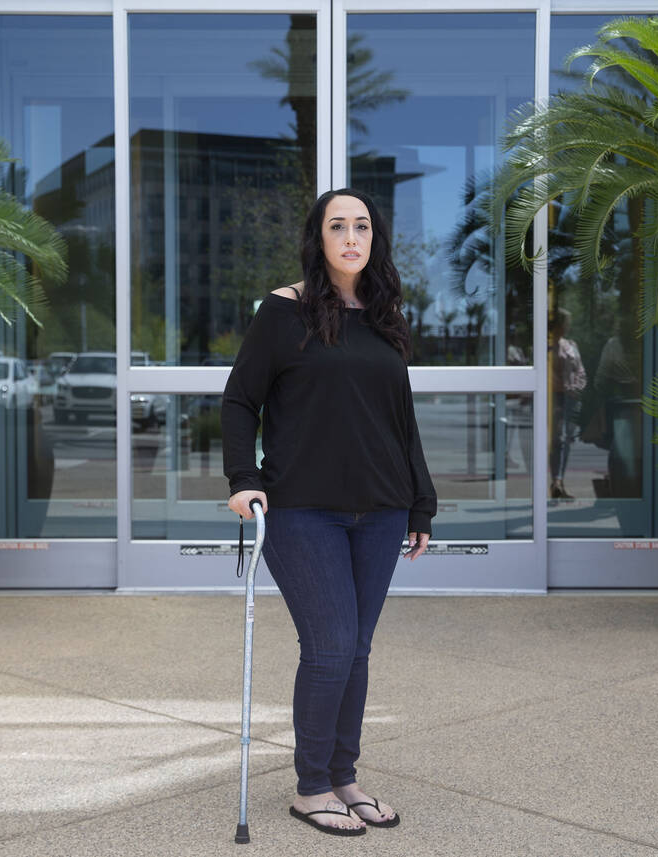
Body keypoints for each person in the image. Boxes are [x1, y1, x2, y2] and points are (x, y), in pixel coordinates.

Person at [221, 188, 437, 837]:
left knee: (357, 649)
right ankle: (311, 785)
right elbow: (239, 401)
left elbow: (401, 421)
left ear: (375, 239)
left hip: (381, 508)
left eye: (362, 225)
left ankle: (344, 776)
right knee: (330, 644)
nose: (351, 236)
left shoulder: (384, 317)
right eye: (338, 225)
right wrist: (243, 478)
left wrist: (420, 501)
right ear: (319, 238)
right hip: (302, 509)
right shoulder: (283, 312)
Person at [548, 307, 586, 499]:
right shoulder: (547, 346)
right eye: (565, 322)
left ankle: (559, 481)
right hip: (556, 398)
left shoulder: (571, 344)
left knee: (567, 440)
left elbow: (580, 370)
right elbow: (546, 375)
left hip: (572, 399)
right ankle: (555, 481)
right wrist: (563, 388)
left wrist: (577, 387)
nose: (567, 326)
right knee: (557, 440)